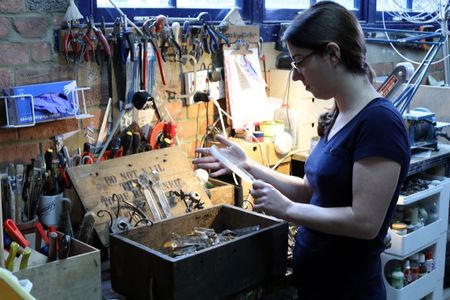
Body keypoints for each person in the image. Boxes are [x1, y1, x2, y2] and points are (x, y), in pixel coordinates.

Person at [193, 1, 411, 299]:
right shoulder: (338, 113)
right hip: (317, 284)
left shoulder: (379, 123)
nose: (295, 75)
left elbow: (365, 222)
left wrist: (288, 210)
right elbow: (312, 190)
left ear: (333, 54)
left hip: (349, 290)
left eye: (299, 61)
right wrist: (247, 166)